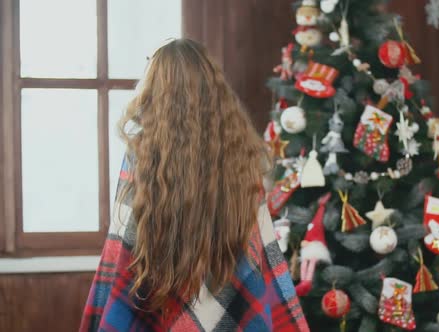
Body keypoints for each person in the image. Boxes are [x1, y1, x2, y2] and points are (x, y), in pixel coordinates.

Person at [79, 39, 308, 332]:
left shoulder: (141, 154)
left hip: (158, 304)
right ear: (213, 90)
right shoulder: (243, 156)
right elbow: (260, 251)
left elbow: (123, 244)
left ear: (156, 90)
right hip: (223, 306)